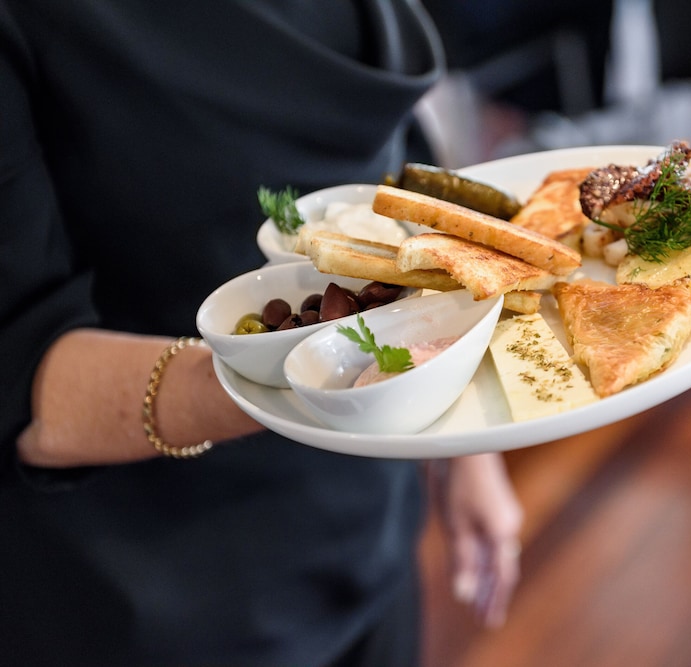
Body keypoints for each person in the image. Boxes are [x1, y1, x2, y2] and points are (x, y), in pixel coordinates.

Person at [0, 2, 523, 665]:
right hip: (157, 586)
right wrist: (294, 376)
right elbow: (20, 368)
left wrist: (466, 442)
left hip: (372, 525)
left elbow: (392, 172)